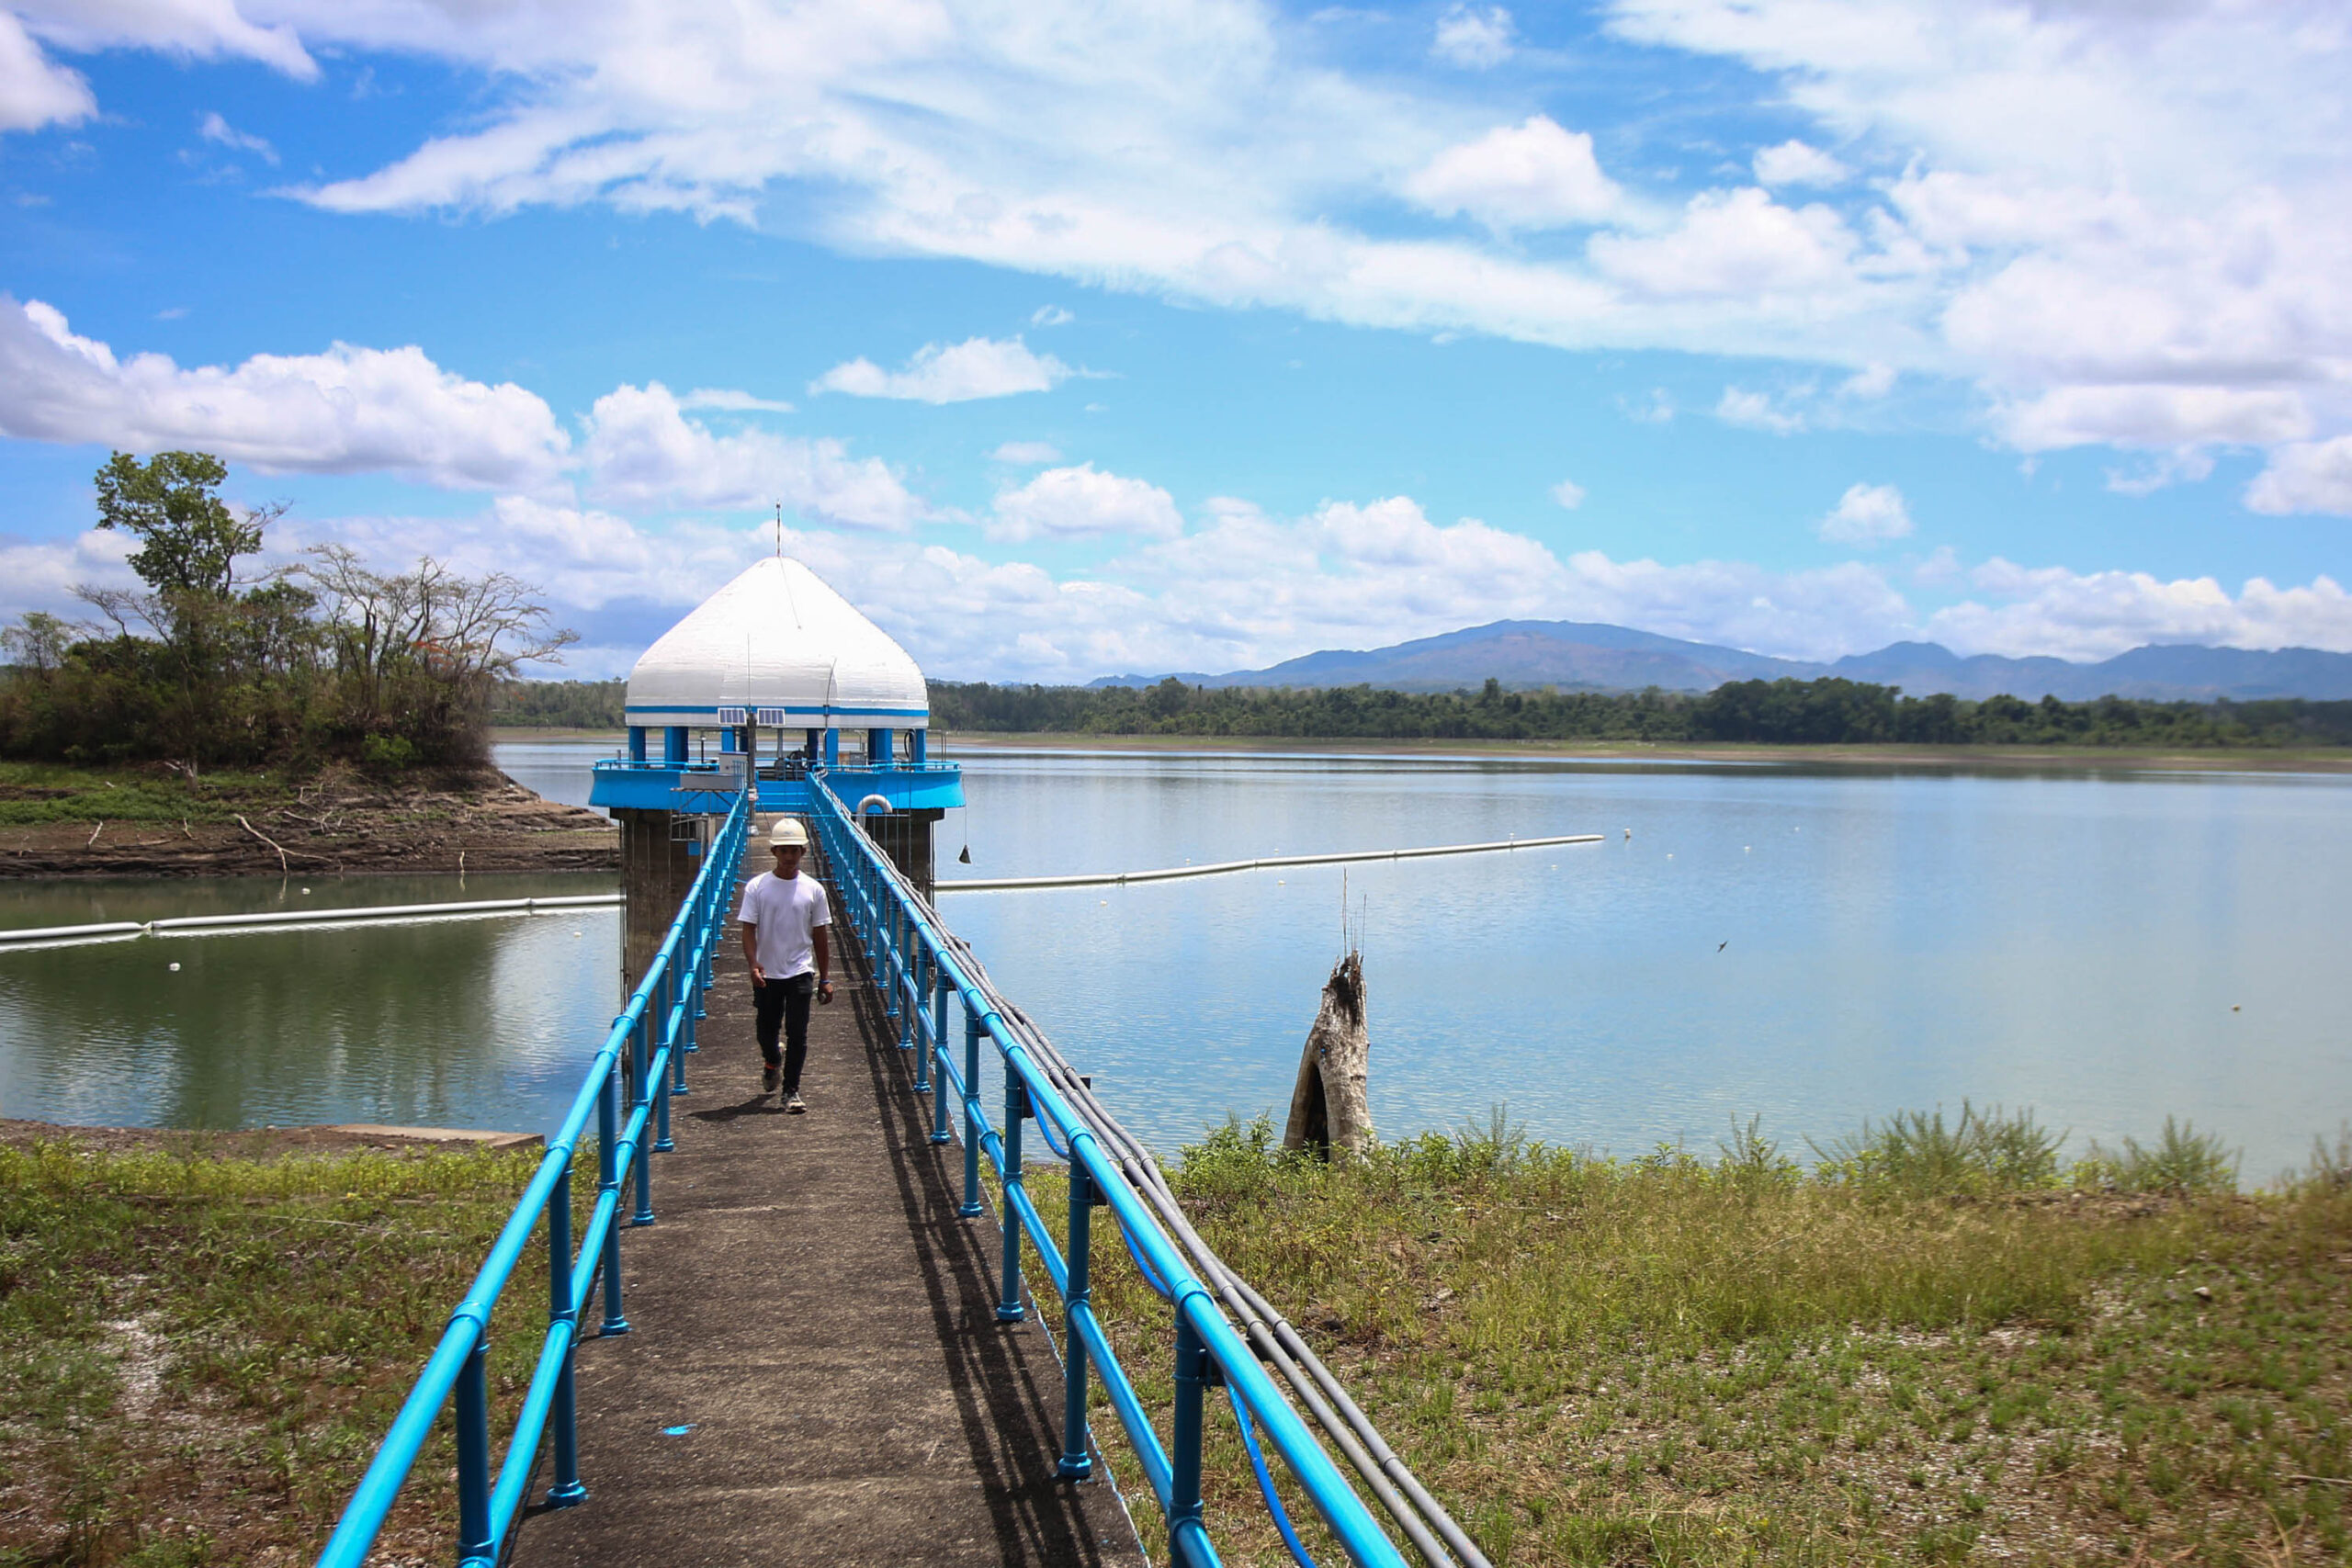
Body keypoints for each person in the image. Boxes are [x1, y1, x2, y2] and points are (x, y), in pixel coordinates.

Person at [738, 817, 833, 1111]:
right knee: (765, 1032)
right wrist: (753, 964)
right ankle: (772, 1060)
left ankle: (791, 1091)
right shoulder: (757, 888)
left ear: (803, 852)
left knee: (798, 1033)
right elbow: (748, 929)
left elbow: (820, 935)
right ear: (773, 853)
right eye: (784, 851)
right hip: (768, 972)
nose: (789, 857)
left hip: (800, 972)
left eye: (795, 851)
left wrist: (825, 977)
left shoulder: (814, 890)